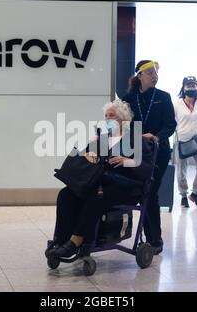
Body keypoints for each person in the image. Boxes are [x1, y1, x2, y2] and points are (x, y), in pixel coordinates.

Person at [47, 99, 154, 259]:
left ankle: (77, 241)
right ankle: (61, 240)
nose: (108, 119)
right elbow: (88, 162)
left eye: (112, 116)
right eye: (106, 116)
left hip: (127, 187)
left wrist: (126, 161)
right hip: (100, 183)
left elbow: (147, 169)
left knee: (95, 197)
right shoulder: (102, 139)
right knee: (66, 194)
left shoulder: (135, 139)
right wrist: (90, 149)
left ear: (123, 119)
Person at [122, 60, 177, 254]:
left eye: (156, 73)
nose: (154, 76)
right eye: (150, 73)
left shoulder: (163, 97)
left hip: (158, 152)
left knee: (150, 191)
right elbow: (123, 125)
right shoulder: (128, 98)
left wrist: (156, 136)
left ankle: (155, 240)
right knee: (140, 192)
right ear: (140, 76)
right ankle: (140, 236)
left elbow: (170, 125)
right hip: (135, 151)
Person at [173, 76, 197, 208]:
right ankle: (183, 195)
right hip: (182, 141)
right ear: (183, 88)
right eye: (188, 85)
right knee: (181, 171)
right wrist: (174, 144)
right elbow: (173, 124)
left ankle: (194, 193)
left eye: (193, 85)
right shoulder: (177, 104)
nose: (191, 87)